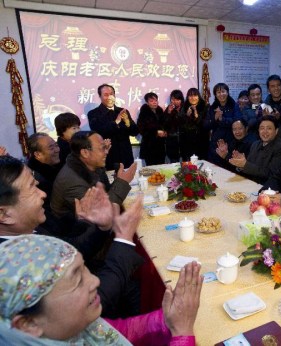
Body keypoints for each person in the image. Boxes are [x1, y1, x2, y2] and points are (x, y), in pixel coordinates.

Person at [0, 155, 144, 318]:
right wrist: (123, 239)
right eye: (32, 188)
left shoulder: (27, 228)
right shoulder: (16, 266)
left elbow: (73, 248)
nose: (43, 194)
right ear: (3, 214)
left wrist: (102, 226)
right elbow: (88, 305)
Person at [0, 235, 202, 345]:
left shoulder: (73, 329)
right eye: (77, 280)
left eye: (85, 269)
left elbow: (122, 331)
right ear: (29, 323)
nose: (95, 281)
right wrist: (182, 332)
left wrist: (168, 319)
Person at [51, 131, 136, 219]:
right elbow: (102, 214)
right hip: (76, 230)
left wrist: (118, 180)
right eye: (102, 148)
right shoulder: (73, 183)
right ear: (85, 153)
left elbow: (105, 192)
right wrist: (123, 182)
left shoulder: (87, 164)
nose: (106, 152)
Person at [88, 84, 139, 170]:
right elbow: (99, 132)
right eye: (106, 95)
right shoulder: (93, 113)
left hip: (126, 155)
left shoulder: (122, 111)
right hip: (108, 157)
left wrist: (127, 122)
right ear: (100, 96)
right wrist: (117, 121)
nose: (109, 97)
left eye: (111, 94)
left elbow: (134, 132)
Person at [228, 116, 281, 184]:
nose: (265, 131)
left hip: (266, 189)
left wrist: (245, 165)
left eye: (269, 128)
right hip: (249, 183)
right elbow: (249, 167)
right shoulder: (255, 144)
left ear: (276, 131)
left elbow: (271, 174)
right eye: (262, 128)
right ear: (258, 130)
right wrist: (240, 165)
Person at [205, 83, 241, 162]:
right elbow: (206, 125)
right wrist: (215, 118)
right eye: (218, 92)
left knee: (229, 168)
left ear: (227, 92)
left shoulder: (234, 105)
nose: (221, 94)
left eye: (223, 91)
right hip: (216, 142)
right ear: (215, 95)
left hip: (231, 141)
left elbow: (237, 121)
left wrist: (222, 119)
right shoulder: (213, 107)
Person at [27, 133, 62, 209]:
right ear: (38, 154)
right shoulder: (37, 180)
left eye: (56, 145)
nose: (57, 150)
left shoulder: (54, 168)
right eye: (51, 148)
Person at [137, 92, 166, 166]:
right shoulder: (144, 112)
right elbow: (141, 130)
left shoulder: (160, 111)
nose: (154, 103)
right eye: (151, 101)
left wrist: (165, 132)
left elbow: (164, 124)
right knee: (151, 170)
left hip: (160, 146)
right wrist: (156, 132)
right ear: (147, 102)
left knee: (161, 168)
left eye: (156, 100)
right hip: (149, 146)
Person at [180, 88, 209, 160]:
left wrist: (196, 115)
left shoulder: (205, 107)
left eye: (195, 95)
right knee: (188, 166)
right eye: (190, 96)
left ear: (199, 96)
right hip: (187, 143)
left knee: (201, 165)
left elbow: (205, 125)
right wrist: (187, 116)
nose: (193, 98)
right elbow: (180, 125)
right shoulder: (184, 107)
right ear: (187, 97)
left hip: (201, 142)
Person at [164, 90, 184, 163]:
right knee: (174, 164)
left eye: (177, 99)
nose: (175, 101)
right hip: (172, 143)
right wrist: (169, 113)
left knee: (187, 165)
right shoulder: (168, 109)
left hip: (184, 142)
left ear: (181, 100)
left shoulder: (185, 109)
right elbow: (165, 125)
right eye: (173, 99)